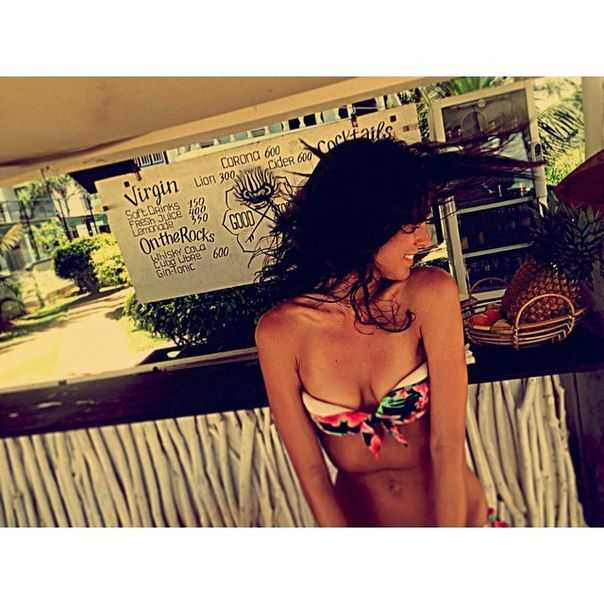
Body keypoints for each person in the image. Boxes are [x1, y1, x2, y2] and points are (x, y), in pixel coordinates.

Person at [254, 135, 535, 527]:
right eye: (410, 225)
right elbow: (313, 477)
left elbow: (447, 446)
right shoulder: (279, 334)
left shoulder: (429, 295)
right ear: (363, 224)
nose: (424, 239)